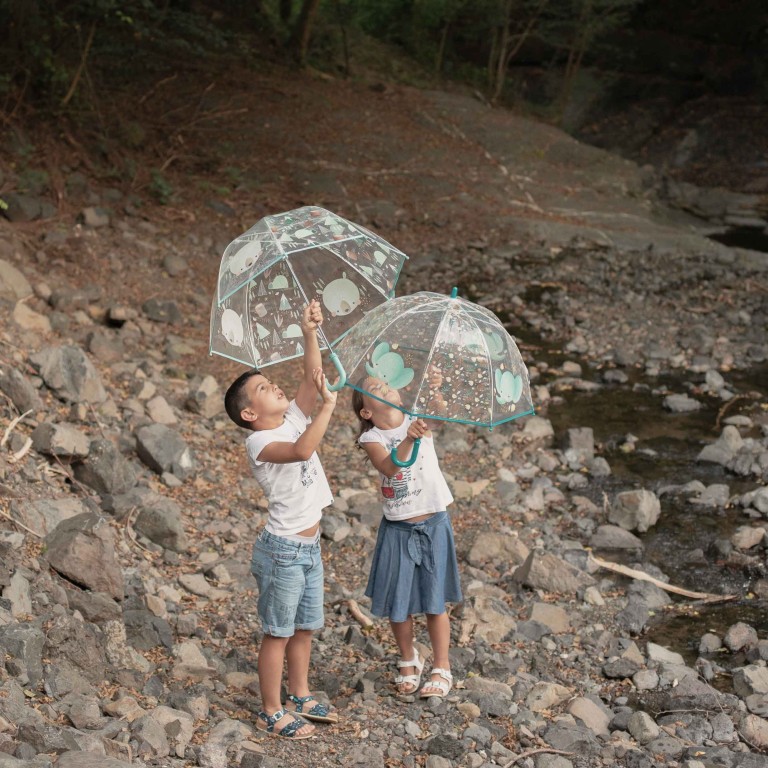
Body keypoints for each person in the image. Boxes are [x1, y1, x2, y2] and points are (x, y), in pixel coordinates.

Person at [224, 299, 338, 739]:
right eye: (265, 388)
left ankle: (300, 694)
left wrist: (309, 332)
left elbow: (312, 379)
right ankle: (270, 709)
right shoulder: (260, 444)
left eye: (272, 382)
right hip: (282, 551)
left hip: (309, 546)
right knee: (278, 632)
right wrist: (327, 410)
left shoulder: (290, 418)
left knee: (306, 627)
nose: (275, 388)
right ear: (250, 414)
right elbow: (300, 451)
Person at [351, 372, 462, 699]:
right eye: (374, 388)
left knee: (434, 600)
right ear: (366, 412)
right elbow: (390, 468)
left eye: (387, 382)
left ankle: (442, 665)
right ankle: (408, 656)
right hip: (398, 529)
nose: (384, 386)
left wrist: (435, 387)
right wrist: (410, 438)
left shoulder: (417, 418)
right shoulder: (371, 438)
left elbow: (439, 412)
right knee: (399, 604)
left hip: (433, 523)